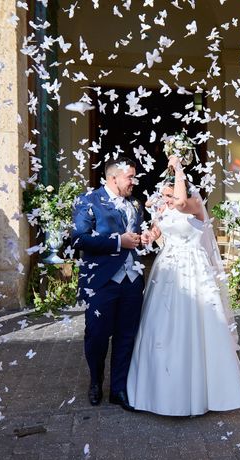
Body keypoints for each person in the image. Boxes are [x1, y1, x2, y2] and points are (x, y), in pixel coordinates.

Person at [126, 156, 240, 416]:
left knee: (196, 324)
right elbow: (156, 233)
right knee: (160, 326)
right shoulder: (165, 209)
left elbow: (180, 203)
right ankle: (157, 390)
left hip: (193, 270)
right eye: (164, 196)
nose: (166, 201)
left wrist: (178, 168)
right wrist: (147, 235)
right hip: (166, 271)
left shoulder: (193, 205)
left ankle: (202, 390)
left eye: (169, 195)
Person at [71, 157, 145, 410]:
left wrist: (145, 238)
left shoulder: (136, 203)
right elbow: (78, 239)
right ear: (113, 178)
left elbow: (138, 236)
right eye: (130, 177)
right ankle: (95, 381)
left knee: (127, 335)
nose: (134, 181)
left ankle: (119, 389)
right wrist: (117, 242)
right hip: (101, 281)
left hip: (132, 280)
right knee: (97, 335)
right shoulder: (87, 201)